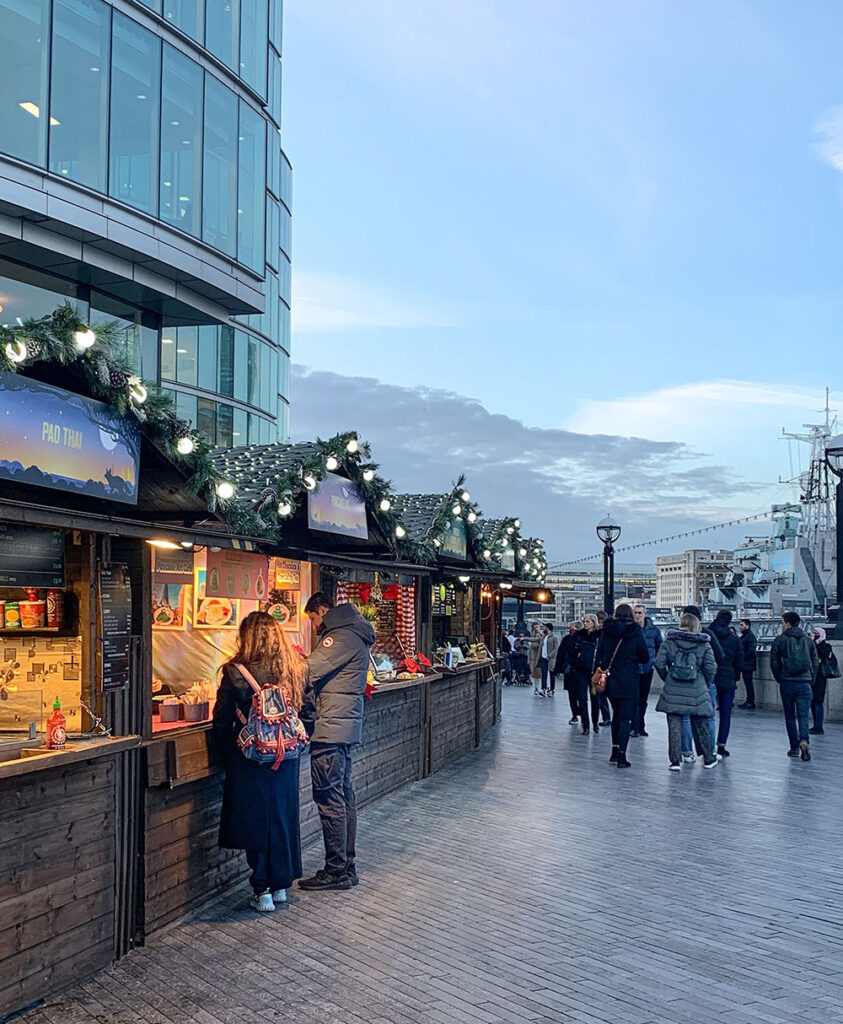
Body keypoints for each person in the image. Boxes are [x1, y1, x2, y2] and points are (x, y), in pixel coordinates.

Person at [213, 611, 307, 912]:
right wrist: (292, 743)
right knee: (282, 819)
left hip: (250, 758)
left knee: (256, 822)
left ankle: (262, 889)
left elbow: (221, 720)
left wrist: (232, 751)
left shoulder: (235, 671)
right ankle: (280, 884)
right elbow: (310, 713)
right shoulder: (295, 667)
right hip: (286, 757)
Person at [299, 591, 375, 890]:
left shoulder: (339, 637)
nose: (315, 626)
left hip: (330, 729)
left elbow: (306, 671)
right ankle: (346, 866)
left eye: (313, 619)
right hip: (341, 728)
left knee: (331, 799)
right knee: (343, 798)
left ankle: (336, 871)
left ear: (321, 610)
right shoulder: (353, 632)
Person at [654, 611, 718, 770]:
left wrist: (668, 678)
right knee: (701, 723)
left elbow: (659, 663)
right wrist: (704, 682)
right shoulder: (704, 644)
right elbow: (711, 667)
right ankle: (709, 758)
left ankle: (675, 761)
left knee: (674, 725)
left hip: (673, 689)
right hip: (697, 688)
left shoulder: (669, 642)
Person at [594, 604, 649, 767]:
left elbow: (601, 653)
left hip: (610, 679)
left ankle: (613, 751)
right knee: (625, 718)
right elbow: (644, 656)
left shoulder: (607, 630)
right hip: (629, 679)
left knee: (616, 715)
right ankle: (622, 756)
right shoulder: (635, 631)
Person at [770, 611, 818, 762]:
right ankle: (804, 740)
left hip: (787, 682)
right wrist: (811, 678)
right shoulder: (808, 640)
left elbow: (774, 663)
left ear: (788, 623)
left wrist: (780, 678)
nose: (782, 625)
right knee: (803, 715)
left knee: (790, 716)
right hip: (805, 683)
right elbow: (815, 661)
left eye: (782, 622)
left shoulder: (779, 640)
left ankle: (794, 748)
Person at [680, 605, 724, 761]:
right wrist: (708, 678)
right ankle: (710, 750)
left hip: (682, 683)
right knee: (709, 717)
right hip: (704, 683)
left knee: (685, 717)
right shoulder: (707, 634)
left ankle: (687, 752)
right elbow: (719, 656)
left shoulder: (676, 636)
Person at [707, 610, 742, 758]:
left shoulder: (707, 635)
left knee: (707, 715)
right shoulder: (734, 639)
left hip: (710, 678)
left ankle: (707, 746)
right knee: (725, 714)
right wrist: (735, 677)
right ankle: (721, 745)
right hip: (728, 680)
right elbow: (739, 662)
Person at [631, 605, 661, 737]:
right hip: (633, 669)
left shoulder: (654, 630)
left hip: (647, 668)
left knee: (643, 699)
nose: (637, 615)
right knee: (635, 698)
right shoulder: (630, 630)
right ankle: (634, 726)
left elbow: (659, 647)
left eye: (640, 613)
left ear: (645, 614)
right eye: (635, 613)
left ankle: (640, 725)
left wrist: (655, 662)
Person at [570, 614, 600, 733]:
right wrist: (574, 662)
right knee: (582, 699)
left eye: (587, 621)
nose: (585, 623)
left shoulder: (599, 636)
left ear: (594, 622)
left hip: (595, 671)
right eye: (584, 621)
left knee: (595, 699)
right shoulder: (579, 635)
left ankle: (595, 722)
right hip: (580, 670)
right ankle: (585, 725)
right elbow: (572, 650)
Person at [810, 627, 838, 734]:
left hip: (820, 676)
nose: (814, 635)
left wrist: (815, 642)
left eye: (816, 633)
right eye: (813, 633)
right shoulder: (811, 644)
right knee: (812, 701)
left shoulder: (826, 646)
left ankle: (819, 726)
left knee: (818, 701)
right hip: (812, 675)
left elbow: (822, 654)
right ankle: (815, 724)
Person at [555, 621, 580, 722]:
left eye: (572, 628)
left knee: (580, 695)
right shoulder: (566, 639)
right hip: (568, 670)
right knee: (572, 694)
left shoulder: (581, 639)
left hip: (579, 671)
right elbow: (560, 653)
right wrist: (558, 668)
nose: (570, 630)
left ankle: (581, 713)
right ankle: (574, 713)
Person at [594, 611, 612, 726]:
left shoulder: (602, 634)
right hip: (607, 667)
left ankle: (606, 717)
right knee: (604, 693)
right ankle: (608, 717)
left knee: (602, 693)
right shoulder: (604, 633)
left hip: (603, 667)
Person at [738, 618, 758, 709]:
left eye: (742, 625)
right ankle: (749, 700)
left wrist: (743, 658)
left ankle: (750, 701)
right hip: (746, 664)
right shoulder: (745, 636)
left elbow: (751, 651)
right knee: (747, 682)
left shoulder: (750, 637)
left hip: (748, 664)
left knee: (748, 682)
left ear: (747, 626)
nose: (740, 627)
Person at [538, 622, 559, 697]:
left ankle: (552, 689)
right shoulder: (544, 637)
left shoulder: (554, 637)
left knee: (552, 674)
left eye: (545, 627)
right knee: (544, 674)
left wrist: (549, 656)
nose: (544, 629)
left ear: (548, 628)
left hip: (550, 659)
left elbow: (556, 648)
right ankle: (543, 689)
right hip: (543, 658)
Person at [528, 622, 543, 695]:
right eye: (534, 628)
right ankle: (537, 688)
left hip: (541, 657)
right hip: (534, 657)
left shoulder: (542, 635)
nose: (536, 629)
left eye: (537, 627)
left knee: (541, 673)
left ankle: (542, 688)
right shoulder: (533, 636)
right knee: (536, 674)